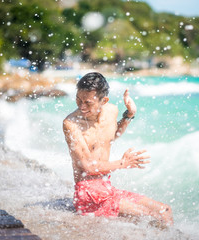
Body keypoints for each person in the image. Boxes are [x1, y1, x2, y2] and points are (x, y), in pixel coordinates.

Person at [63, 72, 173, 226]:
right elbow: (88, 167)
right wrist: (123, 163)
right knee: (152, 217)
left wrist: (129, 115)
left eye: (88, 102)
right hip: (88, 194)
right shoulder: (71, 124)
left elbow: (111, 136)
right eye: (78, 100)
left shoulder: (111, 111)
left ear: (104, 101)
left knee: (165, 210)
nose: (82, 106)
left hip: (106, 187)